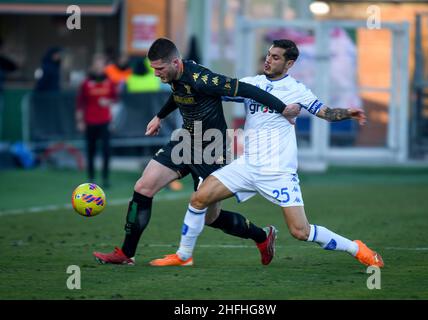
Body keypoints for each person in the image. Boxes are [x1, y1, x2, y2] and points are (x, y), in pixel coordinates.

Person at [150, 39, 384, 268]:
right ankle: (183, 255)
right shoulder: (252, 83)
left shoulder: (297, 90)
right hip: (247, 166)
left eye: (275, 57)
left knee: (300, 232)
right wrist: (165, 110)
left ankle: (356, 248)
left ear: (289, 64)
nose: (268, 60)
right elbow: (206, 89)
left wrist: (347, 113)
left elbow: (326, 112)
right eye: (268, 55)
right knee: (199, 198)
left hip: (278, 171)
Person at [93, 37, 300, 265]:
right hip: (185, 142)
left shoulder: (205, 79)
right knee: (143, 187)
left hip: (211, 150)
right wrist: (160, 116)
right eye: (153, 69)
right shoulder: (175, 75)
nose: (156, 74)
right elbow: (178, 93)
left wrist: (283, 109)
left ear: (175, 62)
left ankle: (262, 236)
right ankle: (126, 254)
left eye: (159, 69)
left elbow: (247, 89)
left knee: (211, 218)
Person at [76, 55, 117, 189]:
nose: (99, 67)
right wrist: (80, 121)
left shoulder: (110, 82)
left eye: (101, 65)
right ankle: (91, 178)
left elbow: (116, 100)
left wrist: (108, 102)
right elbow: (80, 103)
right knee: (91, 150)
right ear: (93, 66)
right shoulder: (86, 83)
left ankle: (105, 178)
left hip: (105, 121)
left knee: (106, 150)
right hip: (90, 121)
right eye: (97, 65)